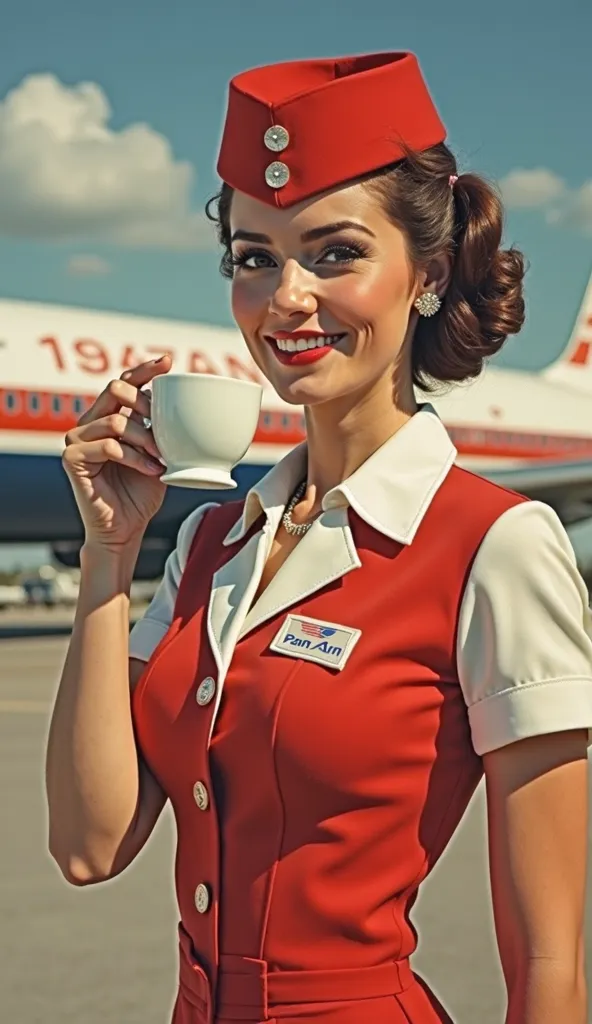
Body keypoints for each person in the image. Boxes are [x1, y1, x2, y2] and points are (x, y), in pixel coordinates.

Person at [45, 51, 592, 1024]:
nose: (285, 296)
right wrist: (107, 556)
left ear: (424, 274)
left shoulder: (495, 543)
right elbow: (90, 847)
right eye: (254, 257)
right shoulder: (210, 543)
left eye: (333, 253)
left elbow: (550, 970)